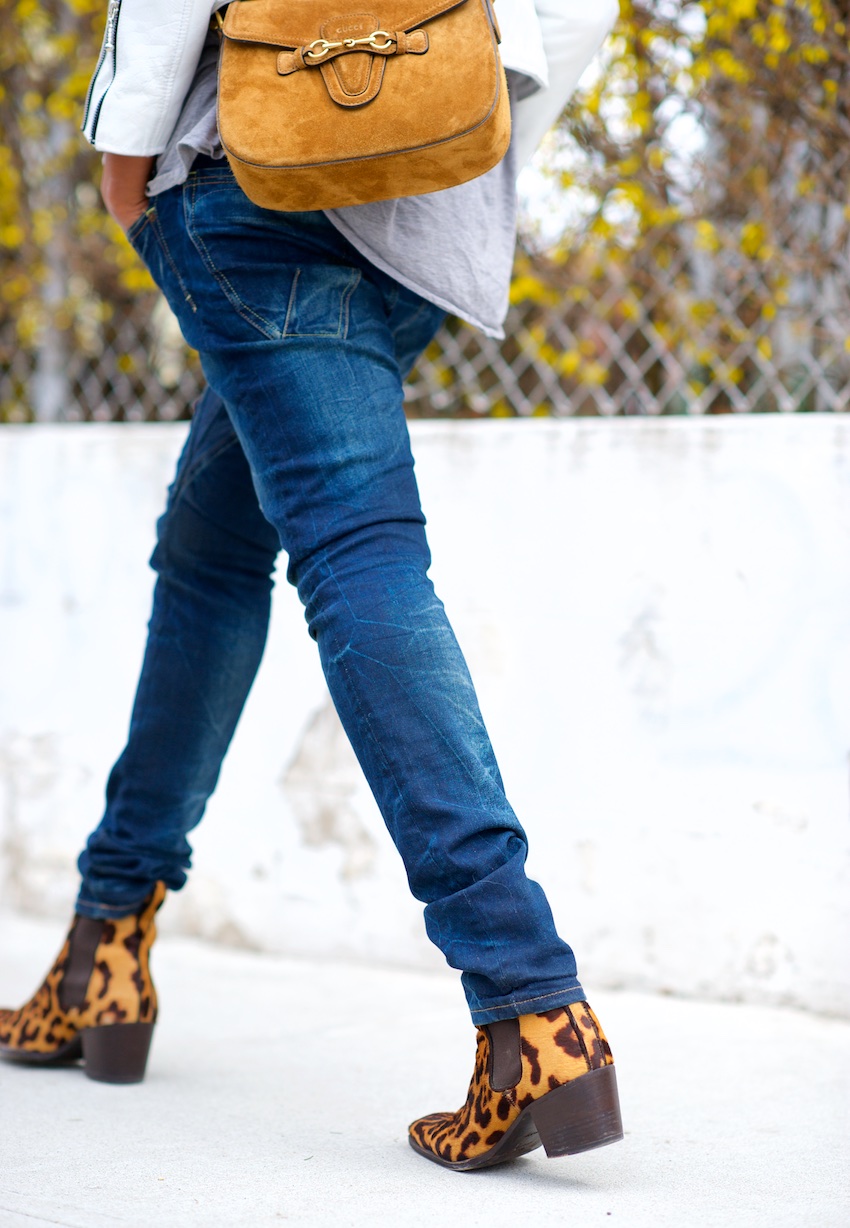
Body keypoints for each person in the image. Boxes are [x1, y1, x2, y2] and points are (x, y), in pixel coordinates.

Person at [0, 0, 622, 1172]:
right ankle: (104, 949)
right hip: (428, 195)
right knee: (210, 552)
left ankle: (534, 1007)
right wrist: (465, 138)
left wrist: (126, 168)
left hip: (259, 178)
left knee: (355, 556)